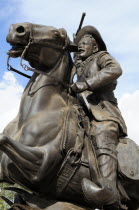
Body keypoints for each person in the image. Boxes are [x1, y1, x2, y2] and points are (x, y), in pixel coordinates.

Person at [70, 26, 127, 209]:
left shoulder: (101, 57)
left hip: (103, 113)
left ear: (94, 47)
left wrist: (86, 83)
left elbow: (115, 69)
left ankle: (108, 191)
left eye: (84, 43)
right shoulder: (77, 65)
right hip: (80, 113)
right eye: (79, 45)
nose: (81, 47)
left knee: (102, 133)